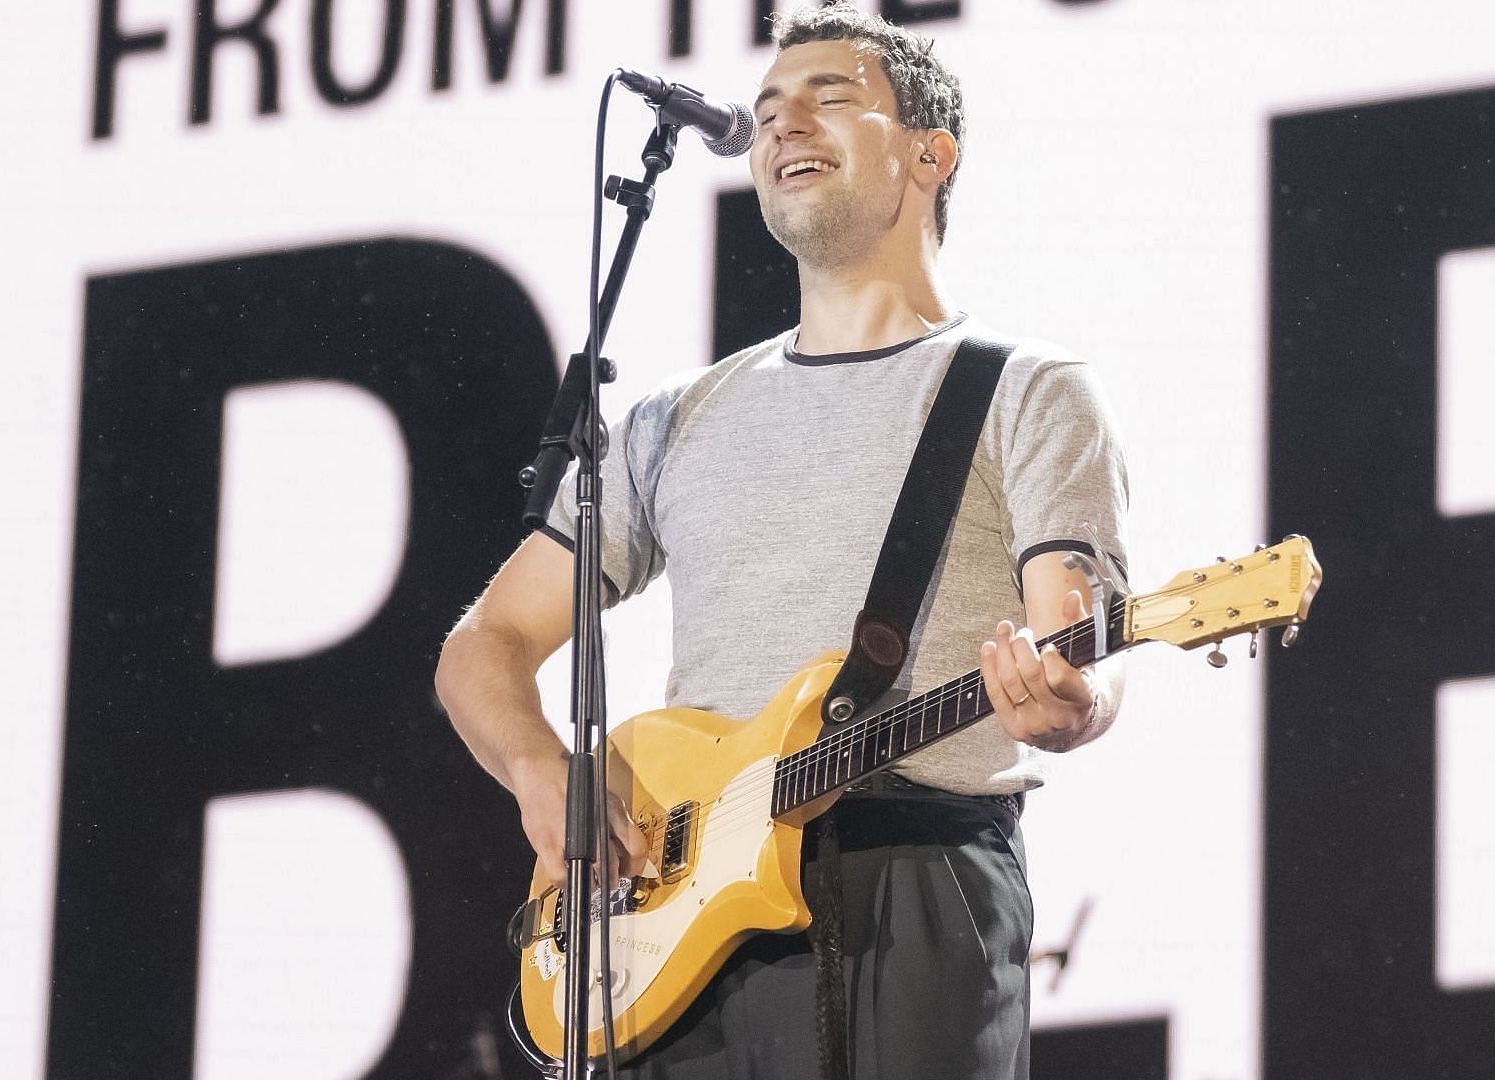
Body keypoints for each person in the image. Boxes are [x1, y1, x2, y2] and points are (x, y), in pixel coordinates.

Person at [434, 6, 1130, 1078]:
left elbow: (1076, 643)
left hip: (914, 877)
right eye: (765, 112)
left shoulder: (1026, 389)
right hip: (669, 919)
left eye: (830, 98)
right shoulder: (676, 416)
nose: (782, 124)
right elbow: (484, 644)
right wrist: (545, 772)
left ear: (930, 155)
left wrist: (1075, 704)